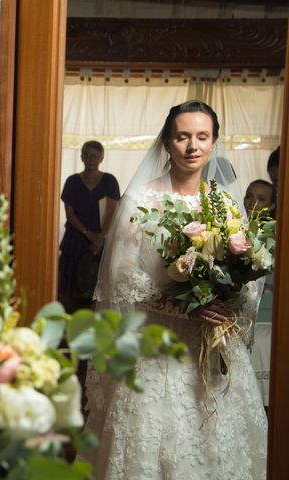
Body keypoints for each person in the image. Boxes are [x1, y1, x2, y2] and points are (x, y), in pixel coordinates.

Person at [82, 101, 267, 479]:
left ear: (214, 143)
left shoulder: (226, 203)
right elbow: (121, 278)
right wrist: (184, 306)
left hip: (214, 343)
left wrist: (228, 302)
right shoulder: (141, 200)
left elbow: (249, 270)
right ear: (167, 142)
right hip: (159, 342)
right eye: (182, 136)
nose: (192, 146)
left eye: (202, 137)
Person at [58, 140, 120, 312]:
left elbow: (112, 212)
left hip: (102, 241)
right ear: (82, 157)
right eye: (87, 155)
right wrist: (89, 234)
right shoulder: (72, 181)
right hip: (76, 239)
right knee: (71, 291)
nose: (91, 159)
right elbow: (70, 214)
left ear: (101, 157)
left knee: (98, 291)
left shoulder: (109, 180)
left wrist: (100, 238)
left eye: (95, 155)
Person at [244, 179, 276, 410]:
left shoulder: (275, 235)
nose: (252, 202)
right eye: (249, 195)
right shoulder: (233, 227)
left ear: (272, 206)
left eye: (261, 199)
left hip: (266, 316)